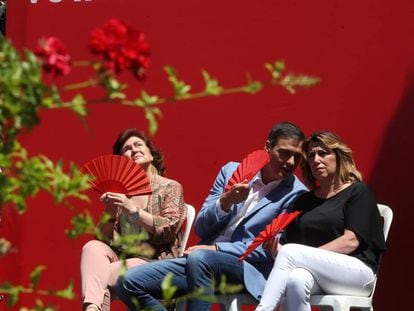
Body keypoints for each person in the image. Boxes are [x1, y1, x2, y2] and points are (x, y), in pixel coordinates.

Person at [116, 121, 308, 311]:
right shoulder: (230, 171)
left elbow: (268, 249)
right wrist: (225, 202)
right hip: (199, 262)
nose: (290, 162)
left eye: (297, 157)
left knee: (201, 258)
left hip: (247, 268)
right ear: (268, 147)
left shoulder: (297, 194)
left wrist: (216, 248)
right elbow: (201, 227)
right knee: (127, 282)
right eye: (284, 153)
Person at [255, 131, 387, 311]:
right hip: (319, 273)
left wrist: (302, 256)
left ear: (338, 156)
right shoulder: (304, 201)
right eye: (311, 156)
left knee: (293, 254)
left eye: (323, 153)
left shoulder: (358, 192)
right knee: (296, 280)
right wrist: (275, 248)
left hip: (358, 273)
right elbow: (288, 246)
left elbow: (351, 241)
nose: (316, 159)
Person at [80, 128, 187, 311]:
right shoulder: (121, 194)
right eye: (127, 149)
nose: (134, 150)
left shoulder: (169, 187)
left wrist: (133, 210)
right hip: (124, 259)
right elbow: (103, 240)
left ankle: (92, 306)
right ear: (122, 161)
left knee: (99, 279)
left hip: (156, 261)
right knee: (91, 248)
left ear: (151, 155)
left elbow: (169, 229)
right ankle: (92, 309)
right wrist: (111, 209)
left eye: (138, 145)